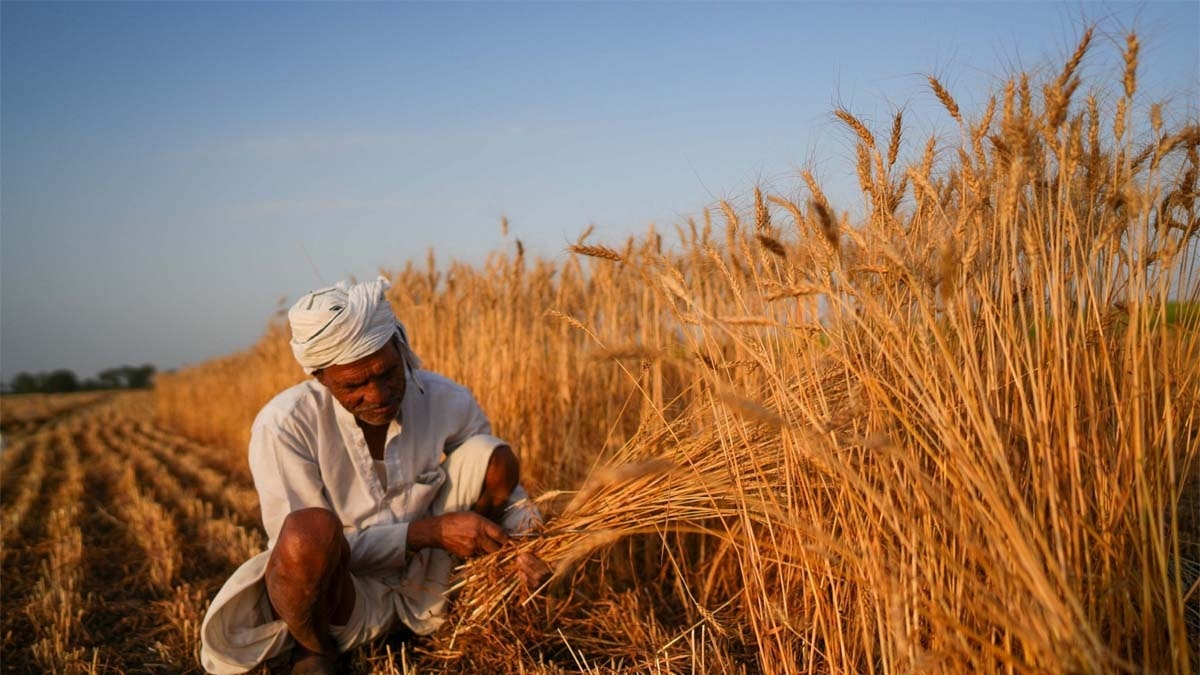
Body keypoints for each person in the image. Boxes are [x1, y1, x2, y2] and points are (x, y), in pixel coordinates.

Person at [199, 277, 550, 675]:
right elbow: (298, 552)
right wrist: (427, 532)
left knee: (495, 455)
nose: (379, 394)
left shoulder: (447, 399)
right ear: (320, 378)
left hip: (435, 581)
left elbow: (510, 492)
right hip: (346, 595)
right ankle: (314, 648)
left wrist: (526, 543)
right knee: (306, 532)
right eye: (355, 385)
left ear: (401, 348)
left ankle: (469, 598)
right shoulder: (284, 424)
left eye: (387, 373)